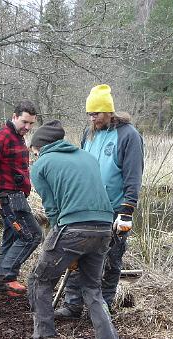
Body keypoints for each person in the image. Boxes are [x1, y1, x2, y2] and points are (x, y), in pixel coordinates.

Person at [24, 120, 124, 339]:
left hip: (73, 228)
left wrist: (61, 248)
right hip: (104, 228)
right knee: (92, 289)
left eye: (33, 150)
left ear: (40, 147)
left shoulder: (41, 165)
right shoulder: (87, 157)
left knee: (39, 280)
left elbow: (53, 211)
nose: (33, 154)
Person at [55, 84, 144, 319]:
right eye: (90, 114)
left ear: (108, 111)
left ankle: (102, 307)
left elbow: (133, 176)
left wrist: (127, 210)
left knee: (111, 260)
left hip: (114, 209)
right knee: (76, 256)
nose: (92, 118)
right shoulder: (89, 134)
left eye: (96, 114)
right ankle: (72, 305)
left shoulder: (128, 135)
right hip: (86, 206)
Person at [0, 100, 44, 297]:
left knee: (12, 236)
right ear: (14, 117)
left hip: (18, 196)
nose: (28, 127)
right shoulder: (2, 137)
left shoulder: (18, 138)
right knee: (32, 235)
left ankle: (1, 283)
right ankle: (7, 277)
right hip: (8, 199)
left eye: (31, 123)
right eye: (24, 122)